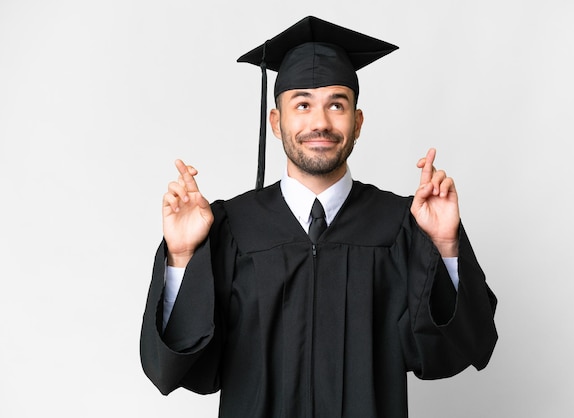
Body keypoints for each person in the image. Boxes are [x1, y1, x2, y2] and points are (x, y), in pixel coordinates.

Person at [140, 16, 497, 418]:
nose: (320, 122)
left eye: (337, 105)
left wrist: (445, 245)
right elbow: (175, 369)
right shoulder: (229, 226)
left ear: (357, 123)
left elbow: (457, 351)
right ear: (277, 122)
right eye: (303, 104)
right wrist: (183, 257)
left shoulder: (401, 225)